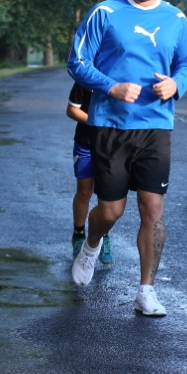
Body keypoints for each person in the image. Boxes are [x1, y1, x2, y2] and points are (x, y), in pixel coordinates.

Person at [67, 0, 187, 317]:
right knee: (110, 211)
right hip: (110, 125)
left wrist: (177, 83)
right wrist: (110, 86)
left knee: (152, 210)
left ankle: (146, 290)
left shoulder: (176, 18)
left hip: (156, 125)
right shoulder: (105, 13)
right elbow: (76, 61)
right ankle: (91, 244)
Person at [67, 82, 113, 264]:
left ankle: (103, 237)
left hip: (112, 145)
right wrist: (97, 122)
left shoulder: (124, 74)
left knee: (108, 194)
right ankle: (78, 235)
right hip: (86, 142)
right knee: (85, 190)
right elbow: (71, 110)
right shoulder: (86, 78)